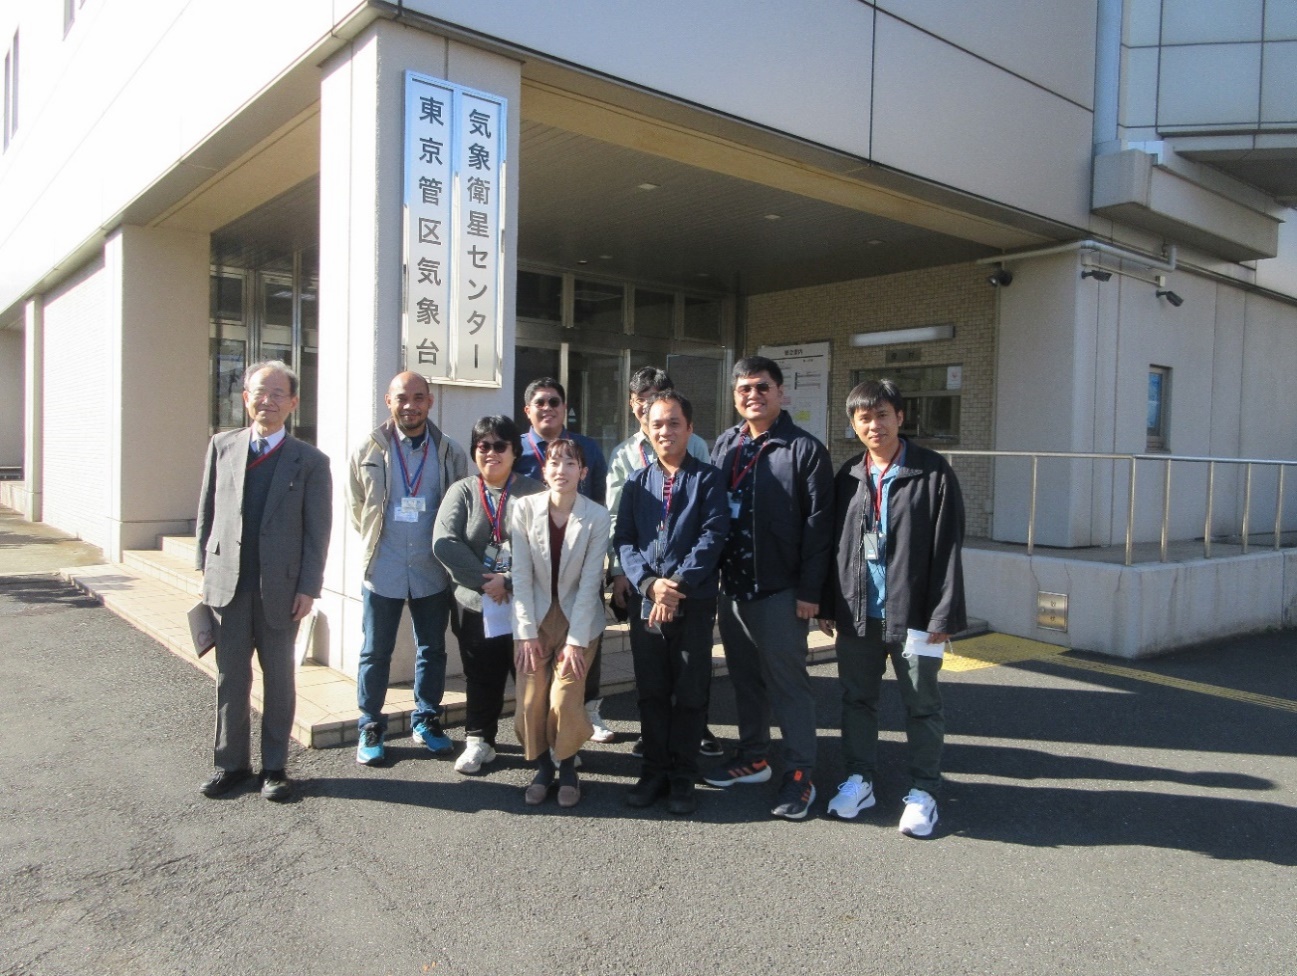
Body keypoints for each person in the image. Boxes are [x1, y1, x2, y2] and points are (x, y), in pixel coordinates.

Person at [818, 379, 966, 838]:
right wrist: (828, 603)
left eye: (882, 414)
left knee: (921, 705)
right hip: (859, 612)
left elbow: (948, 548)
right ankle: (860, 778)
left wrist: (943, 615)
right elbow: (834, 548)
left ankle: (924, 790)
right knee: (857, 700)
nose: (874, 424)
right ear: (853, 424)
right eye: (864, 417)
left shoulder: (933, 472)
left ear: (900, 417)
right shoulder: (848, 476)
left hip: (916, 614)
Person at [195, 360, 332, 802]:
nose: (267, 401)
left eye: (277, 394)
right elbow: (207, 515)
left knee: (279, 679)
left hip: (281, 589)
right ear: (245, 397)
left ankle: (275, 768)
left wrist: (309, 587)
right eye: (259, 392)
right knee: (230, 677)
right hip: (228, 587)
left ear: (292, 403)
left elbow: (318, 531)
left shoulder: (310, 461)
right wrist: (204, 569)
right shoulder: (222, 446)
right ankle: (230, 765)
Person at [705, 356, 834, 820]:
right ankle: (755, 756)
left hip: (781, 590)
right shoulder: (727, 443)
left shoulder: (804, 449)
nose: (753, 396)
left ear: (781, 393)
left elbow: (821, 528)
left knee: (788, 685)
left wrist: (811, 592)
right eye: (744, 390)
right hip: (733, 587)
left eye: (762, 387)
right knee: (745, 680)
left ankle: (801, 774)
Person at [615, 392, 729, 815]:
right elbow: (624, 539)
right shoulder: (636, 482)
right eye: (657, 424)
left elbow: (713, 536)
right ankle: (654, 770)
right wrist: (648, 585)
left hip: (693, 602)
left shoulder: (709, 479)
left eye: (674, 423)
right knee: (652, 691)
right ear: (646, 429)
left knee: (690, 690)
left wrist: (674, 585)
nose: (665, 431)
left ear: (690, 428)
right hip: (646, 602)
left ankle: (683, 774)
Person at [346, 371, 468, 766]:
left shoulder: (449, 451)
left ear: (429, 402)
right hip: (383, 566)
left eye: (419, 397)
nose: (410, 405)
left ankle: (427, 720)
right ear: (389, 401)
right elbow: (356, 506)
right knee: (375, 651)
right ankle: (370, 725)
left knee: (432, 649)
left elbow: (458, 508)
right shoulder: (369, 448)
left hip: (432, 569)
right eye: (402, 398)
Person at [432, 416, 545, 774]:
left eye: (500, 446)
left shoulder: (534, 492)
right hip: (475, 604)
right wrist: (488, 581)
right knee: (481, 675)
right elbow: (444, 542)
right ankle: (480, 741)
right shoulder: (462, 491)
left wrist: (508, 580)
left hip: (524, 604)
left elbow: (545, 546)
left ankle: (542, 743)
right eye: (484, 446)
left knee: (531, 674)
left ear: (514, 451)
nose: (491, 453)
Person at [509, 439, 611, 808]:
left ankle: (567, 765)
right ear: (543, 470)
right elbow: (519, 575)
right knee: (532, 698)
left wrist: (576, 640)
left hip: (577, 617)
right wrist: (524, 634)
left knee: (566, 696)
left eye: (570, 463)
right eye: (554, 462)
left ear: (582, 472)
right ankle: (542, 767)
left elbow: (589, 584)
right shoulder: (523, 509)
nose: (561, 470)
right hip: (534, 616)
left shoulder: (596, 517)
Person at [514, 377, 615, 742]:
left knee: (584, 644)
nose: (548, 408)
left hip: (579, 565)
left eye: (554, 401)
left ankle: (588, 712)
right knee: (534, 680)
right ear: (528, 410)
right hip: (535, 575)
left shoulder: (586, 448)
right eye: (539, 402)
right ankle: (542, 741)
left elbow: (600, 498)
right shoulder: (517, 451)